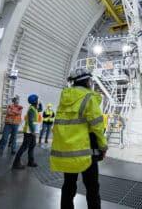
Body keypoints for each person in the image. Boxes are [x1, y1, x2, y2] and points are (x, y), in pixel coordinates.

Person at [50, 68, 108, 209]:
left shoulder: (64, 98)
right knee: (92, 188)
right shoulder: (89, 98)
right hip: (87, 151)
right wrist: (103, 146)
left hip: (69, 151)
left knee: (68, 186)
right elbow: (97, 126)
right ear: (87, 81)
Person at [12, 94, 40, 169]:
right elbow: (30, 121)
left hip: (31, 131)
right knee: (24, 147)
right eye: (37, 100)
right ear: (34, 101)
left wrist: (40, 105)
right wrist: (33, 131)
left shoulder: (34, 108)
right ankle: (16, 163)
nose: (38, 101)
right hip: (29, 132)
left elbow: (40, 110)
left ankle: (31, 162)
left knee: (32, 146)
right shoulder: (31, 110)